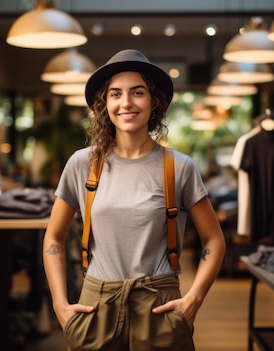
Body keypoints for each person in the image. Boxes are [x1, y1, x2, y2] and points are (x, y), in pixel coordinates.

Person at [42, 49, 226, 351]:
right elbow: (54, 236)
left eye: (137, 92)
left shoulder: (179, 167)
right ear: (105, 104)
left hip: (159, 304)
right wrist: (60, 305)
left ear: (154, 101)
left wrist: (194, 299)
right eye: (116, 94)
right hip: (96, 305)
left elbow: (214, 240)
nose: (126, 103)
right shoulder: (82, 164)